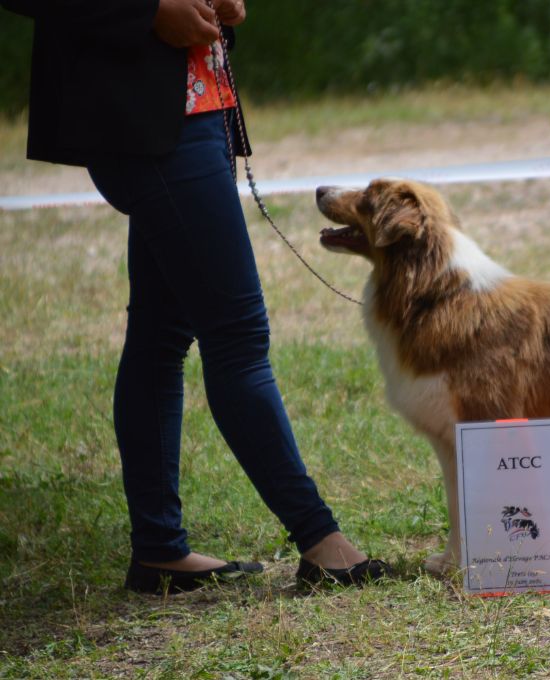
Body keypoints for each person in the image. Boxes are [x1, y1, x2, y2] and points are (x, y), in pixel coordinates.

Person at [1, 0, 390, 593]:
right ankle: (322, 543)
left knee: (160, 334)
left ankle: (159, 551)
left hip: (200, 110)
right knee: (236, 334)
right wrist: (149, 12)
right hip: (148, 122)